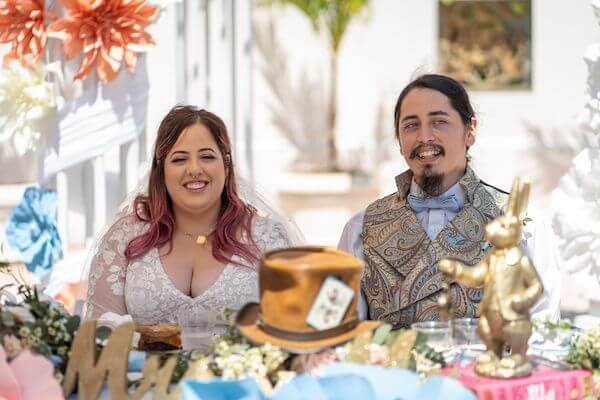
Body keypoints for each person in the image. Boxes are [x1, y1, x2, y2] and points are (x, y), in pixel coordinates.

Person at [338, 74, 560, 328]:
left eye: (439, 122)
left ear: (470, 131)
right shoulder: (361, 228)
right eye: (411, 125)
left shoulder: (523, 225)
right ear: (399, 141)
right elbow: (342, 331)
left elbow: (543, 329)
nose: (424, 137)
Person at [85, 106, 299, 334]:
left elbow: (290, 329)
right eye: (179, 159)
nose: (194, 169)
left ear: (226, 164)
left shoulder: (265, 237)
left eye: (207, 157)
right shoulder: (126, 237)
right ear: (161, 170)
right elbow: (100, 333)